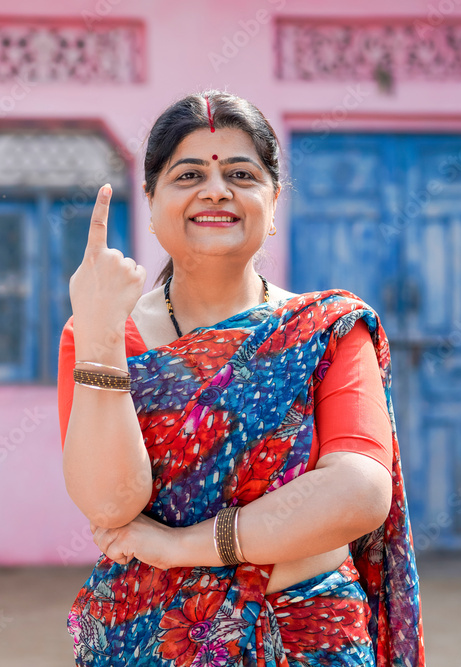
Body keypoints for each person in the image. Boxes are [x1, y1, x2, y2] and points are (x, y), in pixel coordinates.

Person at [57, 90, 426, 666]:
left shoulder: (325, 330)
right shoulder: (104, 335)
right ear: (150, 202)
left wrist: (184, 547)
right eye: (188, 174)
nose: (216, 190)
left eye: (240, 173)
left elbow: (358, 492)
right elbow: (111, 505)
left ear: (274, 202)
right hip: (153, 639)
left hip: (310, 633)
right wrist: (102, 334)